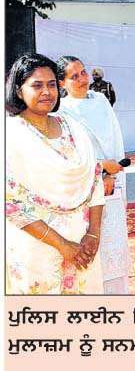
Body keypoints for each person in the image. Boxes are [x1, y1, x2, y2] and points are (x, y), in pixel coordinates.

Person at [5, 53, 105, 294]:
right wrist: (62, 245)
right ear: (18, 91)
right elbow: (10, 203)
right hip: (37, 247)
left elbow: (95, 179)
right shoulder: (10, 135)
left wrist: (93, 234)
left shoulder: (72, 126)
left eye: (51, 85)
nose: (47, 92)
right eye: (37, 85)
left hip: (83, 244)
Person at [57, 55, 130, 294]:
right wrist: (100, 172)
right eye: (74, 76)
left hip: (113, 183)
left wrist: (114, 174)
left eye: (83, 73)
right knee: (90, 246)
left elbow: (115, 140)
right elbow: (71, 154)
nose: (82, 79)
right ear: (62, 83)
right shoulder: (61, 111)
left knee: (115, 245)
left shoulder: (100, 100)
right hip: (86, 187)